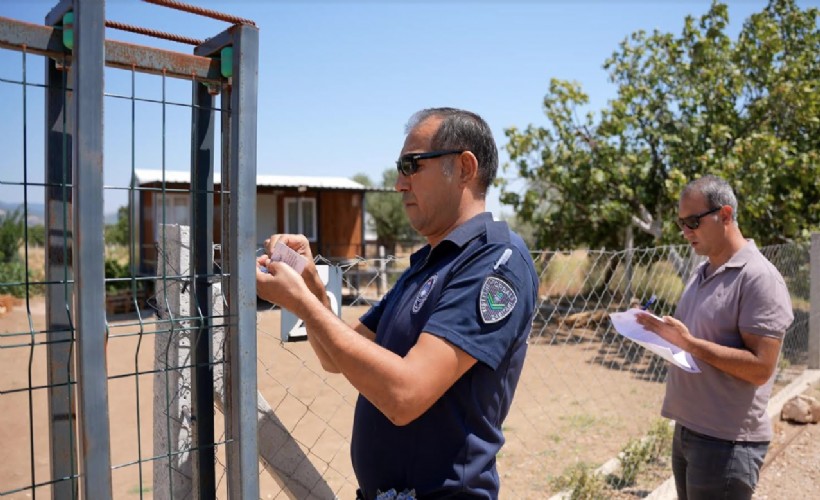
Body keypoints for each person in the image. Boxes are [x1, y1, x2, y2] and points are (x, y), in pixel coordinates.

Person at [256, 107, 538, 499]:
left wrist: (302, 304)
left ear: (464, 167)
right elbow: (335, 358)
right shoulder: (429, 262)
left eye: (411, 165)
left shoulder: (495, 261)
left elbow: (404, 396)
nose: (399, 183)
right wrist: (309, 282)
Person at [635, 175, 793, 500]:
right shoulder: (701, 271)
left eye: (693, 221)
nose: (685, 232)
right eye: (681, 223)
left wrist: (689, 344)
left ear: (724, 215)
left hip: (727, 442)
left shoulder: (759, 278)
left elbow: (761, 368)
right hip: (689, 430)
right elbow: (694, 340)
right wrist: (654, 329)